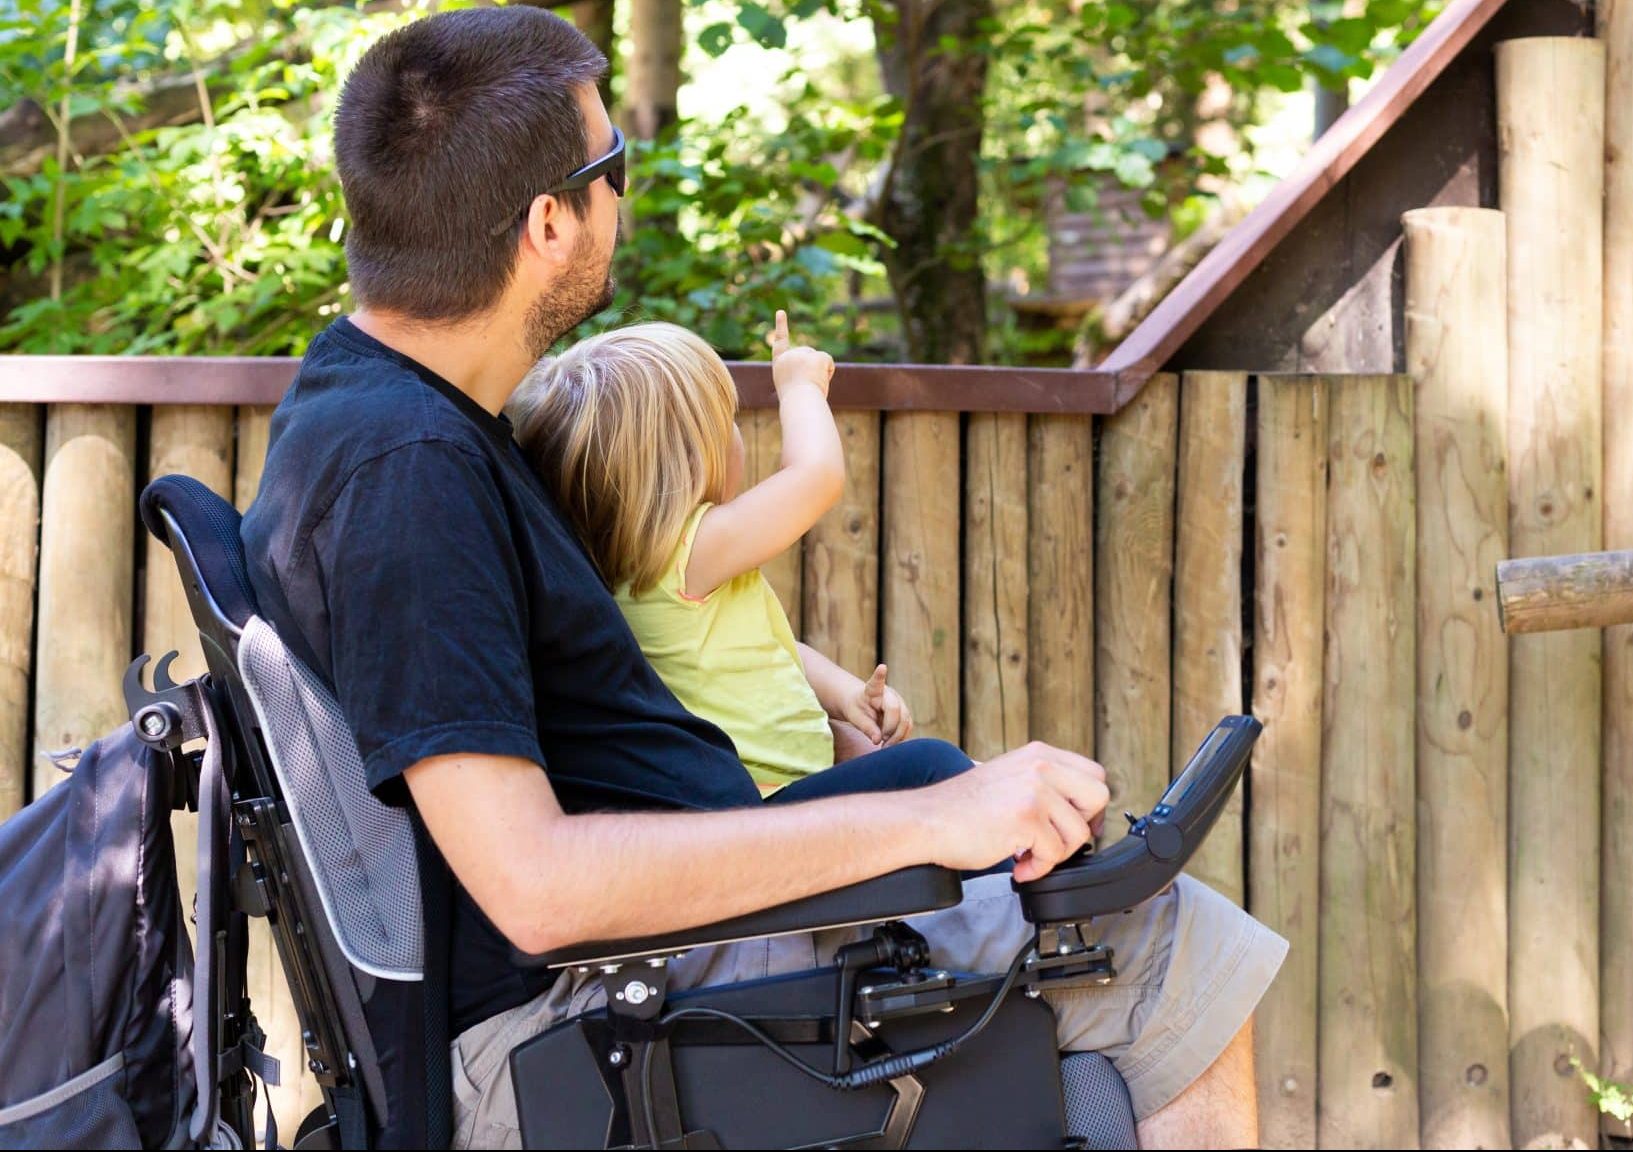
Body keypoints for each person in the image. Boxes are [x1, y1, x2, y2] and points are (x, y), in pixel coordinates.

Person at [239, 7, 1284, 1149]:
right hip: (595, 1022)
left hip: (658, 966)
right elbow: (534, 885)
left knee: (1068, 872)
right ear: (548, 220)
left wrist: (863, 758)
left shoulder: (399, 421)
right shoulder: (409, 474)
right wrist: (928, 817)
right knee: (1163, 939)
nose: (620, 199)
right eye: (613, 169)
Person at [511, 316, 915, 793]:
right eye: (729, 422)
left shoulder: (620, 568)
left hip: (772, 793)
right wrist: (800, 387)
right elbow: (816, 476)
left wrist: (845, 694)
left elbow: (771, 646)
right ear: (689, 457)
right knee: (934, 766)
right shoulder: (687, 554)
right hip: (771, 800)